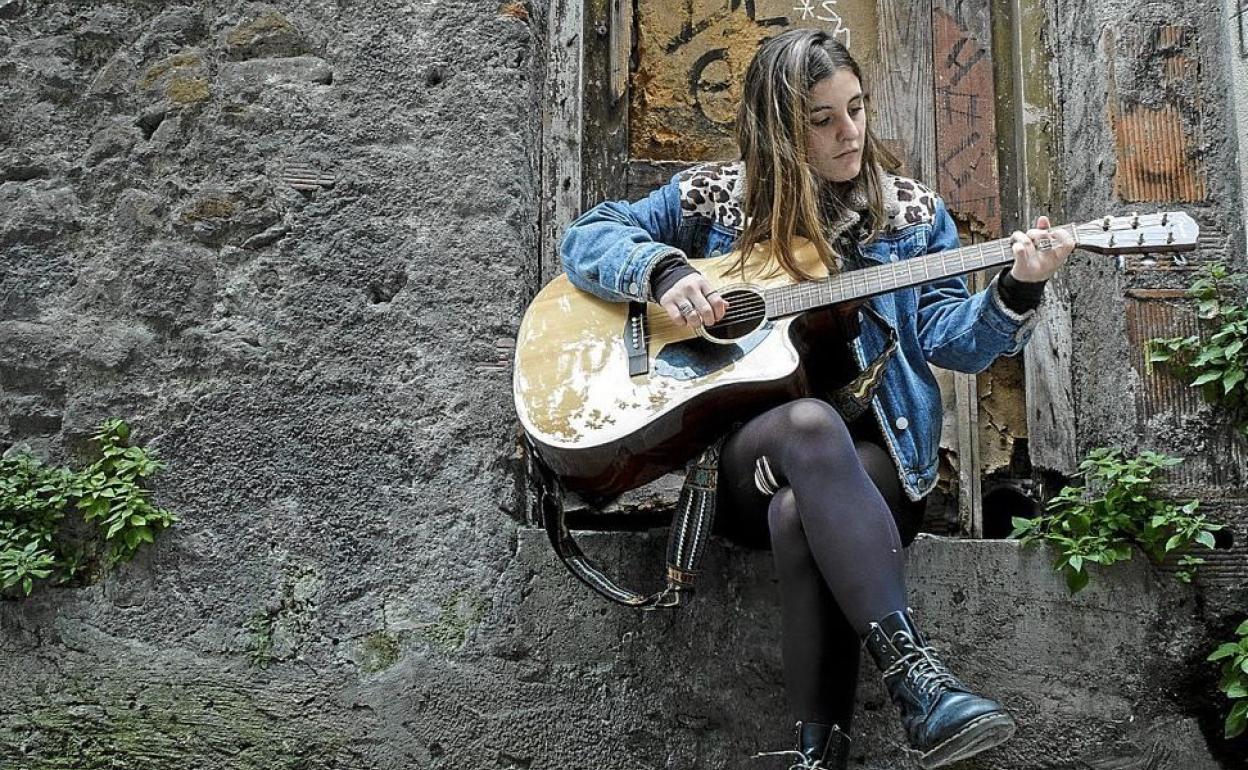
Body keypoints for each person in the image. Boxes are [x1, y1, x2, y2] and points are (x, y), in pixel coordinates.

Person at [558, 29, 1074, 770]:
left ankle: (819, 754)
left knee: (800, 509)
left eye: (856, 109)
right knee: (807, 423)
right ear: (779, 129)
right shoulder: (716, 201)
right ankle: (920, 682)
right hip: (744, 463)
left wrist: (1019, 287)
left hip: (877, 462)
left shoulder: (909, 217)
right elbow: (589, 235)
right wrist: (663, 272)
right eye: (823, 119)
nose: (850, 132)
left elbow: (952, 341)